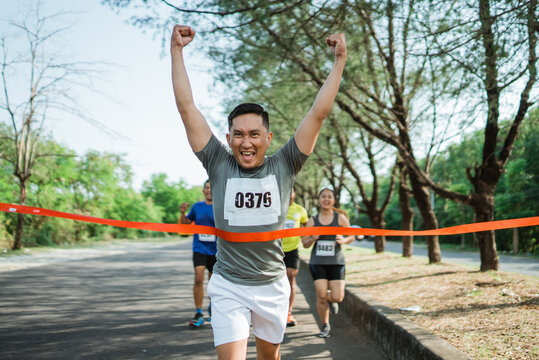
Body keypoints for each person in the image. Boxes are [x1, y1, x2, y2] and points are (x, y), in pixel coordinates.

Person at [171, 24, 346, 360]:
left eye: (254, 134)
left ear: (268, 137)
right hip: (228, 285)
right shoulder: (218, 163)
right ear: (227, 138)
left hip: (272, 285)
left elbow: (318, 113)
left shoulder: (285, 164)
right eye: (238, 134)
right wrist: (176, 52)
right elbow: (187, 108)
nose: (246, 142)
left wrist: (338, 61)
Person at [301, 188, 355, 338]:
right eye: (323, 196)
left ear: (334, 200)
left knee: (338, 297)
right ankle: (325, 326)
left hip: (336, 262)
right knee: (321, 296)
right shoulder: (313, 220)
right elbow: (304, 243)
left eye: (329, 197)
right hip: (318, 263)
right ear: (319, 200)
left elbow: (352, 236)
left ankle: (333, 301)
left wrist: (343, 240)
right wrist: (312, 238)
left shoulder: (340, 218)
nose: (326, 199)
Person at [179, 179, 216, 327]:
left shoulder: (221, 207)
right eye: (206, 188)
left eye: (211, 187)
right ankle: (198, 312)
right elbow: (186, 224)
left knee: (214, 284)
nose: (209, 190)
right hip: (200, 247)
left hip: (217, 249)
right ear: (203, 191)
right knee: (198, 278)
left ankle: (213, 309)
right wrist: (182, 213)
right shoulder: (197, 206)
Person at [281, 187, 308, 327]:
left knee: (290, 278)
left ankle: (288, 313)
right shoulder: (275, 207)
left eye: (290, 190)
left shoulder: (300, 210)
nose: (288, 193)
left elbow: (306, 228)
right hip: (275, 250)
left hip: (292, 250)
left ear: (294, 194)